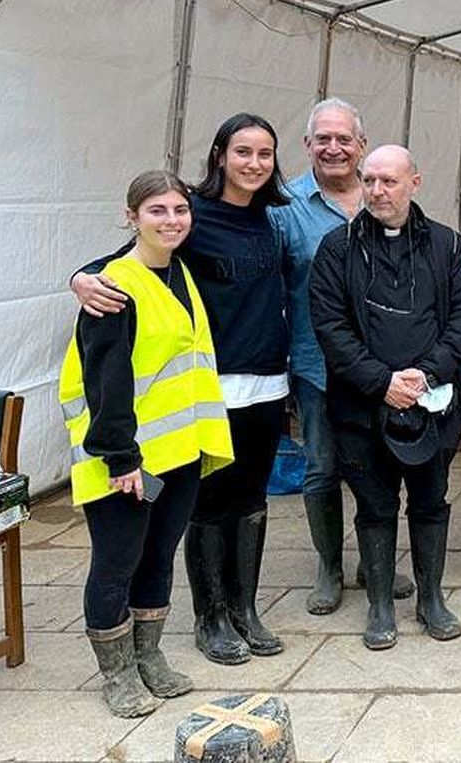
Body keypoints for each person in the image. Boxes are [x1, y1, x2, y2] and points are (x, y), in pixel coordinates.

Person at [73, 113, 293, 666]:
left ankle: (245, 609)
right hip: (213, 389)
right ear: (219, 155)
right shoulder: (193, 216)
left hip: (268, 380)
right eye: (242, 151)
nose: (254, 163)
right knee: (210, 507)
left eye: (264, 154)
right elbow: (128, 261)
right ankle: (211, 617)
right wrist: (80, 276)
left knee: (251, 501)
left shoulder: (272, 217)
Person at [60, 171, 234, 717]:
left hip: (178, 452)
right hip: (125, 458)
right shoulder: (113, 288)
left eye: (180, 210)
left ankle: (147, 657)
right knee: (117, 562)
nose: (172, 220)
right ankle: (116, 674)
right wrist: (121, 459)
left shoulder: (177, 270)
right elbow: (105, 380)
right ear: (131, 216)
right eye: (157, 211)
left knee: (157, 555)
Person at [310, 145, 461, 650]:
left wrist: (425, 376)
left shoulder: (448, 246)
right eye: (370, 181)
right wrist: (383, 382)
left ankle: (431, 599)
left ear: (415, 183)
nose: (378, 191)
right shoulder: (336, 248)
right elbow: (330, 326)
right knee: (375, 506)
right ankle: (381, 605)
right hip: (362, 407)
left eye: (389, 181)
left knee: (431, 502)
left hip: (433, 403)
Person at [266, 99, 413, 615]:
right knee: (323, 468)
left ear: (361, 146)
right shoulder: (283, 206)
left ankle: (376, 562)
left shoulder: (382, 195)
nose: (334, 148)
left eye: (344, 139)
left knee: (382, 468)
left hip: (387, 368)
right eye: (322, 139)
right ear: (306, 146)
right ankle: (329, 565)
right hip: (318, 368)